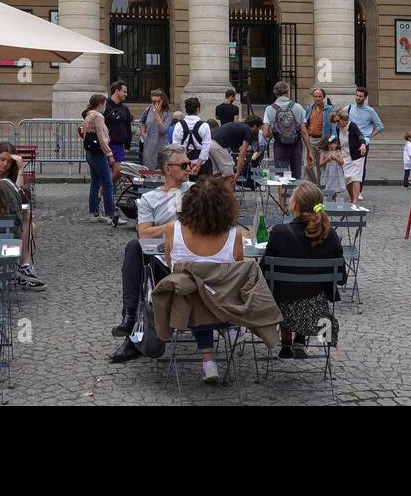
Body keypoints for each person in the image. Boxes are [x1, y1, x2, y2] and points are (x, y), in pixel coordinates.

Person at [109, 145, 195, 362]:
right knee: (134, 248)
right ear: (168, 169)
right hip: (162, 260)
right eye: (184, 165)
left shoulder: (195, 191)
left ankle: (132, 333)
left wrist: (169, 227)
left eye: (189, 164)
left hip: (192, 259)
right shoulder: (150, 198)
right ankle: (130, 316)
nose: (189, 169)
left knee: (141, 265)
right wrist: (170, 227)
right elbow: (143, 233)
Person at [155, 176, 245, 383]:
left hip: (186, 309)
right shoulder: (235, 235)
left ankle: (209, 362)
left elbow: (171, 265)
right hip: (223, 307)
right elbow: (238, 271)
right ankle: (230, 331)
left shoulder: (172, 229)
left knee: (195, 292)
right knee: (210, 291)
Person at [263, 181, 346, 360]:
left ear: (295, 205)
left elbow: (264, 272)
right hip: (318, 313)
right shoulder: (329, 235)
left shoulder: (279, 232)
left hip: (281, 312)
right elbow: (341, 278)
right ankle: (300, 340)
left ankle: (286, 346)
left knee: (286, 291)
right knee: (306, 292)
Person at [0, 142, 44, 289]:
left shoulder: (11, 177)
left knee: (30, 223)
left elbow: (20, 195)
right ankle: (25, 264)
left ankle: (24, 265)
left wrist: (21, 169)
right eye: (2, 159)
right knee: (28, 221)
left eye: (9, 162)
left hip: (5, 222)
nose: (5, 164)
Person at [80, 94, 125, 225]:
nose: (105, 106)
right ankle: (111, 215)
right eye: (104, 104)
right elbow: (102, 137)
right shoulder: (98, 117)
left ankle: (94, 212)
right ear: (100, 104)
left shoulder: (88, 115)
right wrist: (109, 154)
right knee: (107, 183)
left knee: (95, 182)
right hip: (99, 153)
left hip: (90, 152)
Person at [264, 81, 310, 182]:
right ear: (288, 91)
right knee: (296, 175)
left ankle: (282, 198)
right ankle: (295, 197)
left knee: (280, 177)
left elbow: (265, 133)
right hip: (296, 144)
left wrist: (275, 134)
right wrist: (309, 152)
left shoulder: (269, 109)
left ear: (275, 93)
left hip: (279, 144)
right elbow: (304, 132)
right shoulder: (298, 107)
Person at [343, 87, 384, 199]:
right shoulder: (349, 108)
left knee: (361, 166)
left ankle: (359, 190)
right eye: (357, 95)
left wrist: (370, 136)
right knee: (348, 164)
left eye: (360, 96)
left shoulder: (370, 111)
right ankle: (351, 188)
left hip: (363, 141)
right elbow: (340, 117)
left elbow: (380, 126)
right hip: (350, 140)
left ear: (365, 98)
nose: (358, 98)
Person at [212, 116, 263, 183]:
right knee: (230, 176)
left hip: (211, 143)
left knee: (217, 174)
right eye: (259, 128)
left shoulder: (240, 126)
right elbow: (242, 153)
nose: (259, 130)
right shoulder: (248, 131)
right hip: (219, 146)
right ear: (254, 126)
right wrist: (238, 172)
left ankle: (213, 192)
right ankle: (228, 193)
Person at [103, 80, 133, 184]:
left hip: (118, 146)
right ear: (116, 91)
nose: (126, 94)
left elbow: (128, 127)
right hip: (104, 145)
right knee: (104, 173)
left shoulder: (125, 109)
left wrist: (128, 145)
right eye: (124, 92)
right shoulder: (104, 105)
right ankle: (106, 194)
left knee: (118, 171)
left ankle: (102, 191)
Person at [334, 106, 366, 204]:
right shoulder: (337, 128)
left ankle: (355, 201)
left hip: (357, 156)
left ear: (344, 119)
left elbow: (360, 135)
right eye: (336, 121)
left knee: (355, 177)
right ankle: (352, 198)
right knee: (347, 179)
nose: (337, 123)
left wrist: (363, 144)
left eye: (338, 121)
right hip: (345, 156)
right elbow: (339, 142)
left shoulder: (352, 126)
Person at [171, 96, 212, 171]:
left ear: (186, 110)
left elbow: (176, 147)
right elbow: (206, 147)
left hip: (183, 164)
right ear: (198, 109)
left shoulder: (178, 125)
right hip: (201, 164)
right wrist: (198, 166)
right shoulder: (204, 126)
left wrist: (187, 163)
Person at [139, 89, 173, 170]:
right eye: (153, 101)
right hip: (148, 147)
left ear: (163, 100)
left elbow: (163, 130)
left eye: (157, 101)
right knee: (148, 171)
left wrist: (157, 114)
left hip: (161, 147)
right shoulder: (147, 110)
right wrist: (143, 134)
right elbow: (141, 123)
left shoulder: (168, 113)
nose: (155, 104)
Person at [305, 87, 335, 165]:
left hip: (323, 140)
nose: (317, 99)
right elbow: (305, 123)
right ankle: (312, 178)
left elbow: (333, 127)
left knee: (321, 167)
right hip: (310, 140)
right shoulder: (309, 108)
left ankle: (320, 178)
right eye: (315, 96)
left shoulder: (329, 109)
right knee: (307, 166)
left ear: (323, 97)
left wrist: (332, 140)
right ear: (313, 97)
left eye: (319, 96)